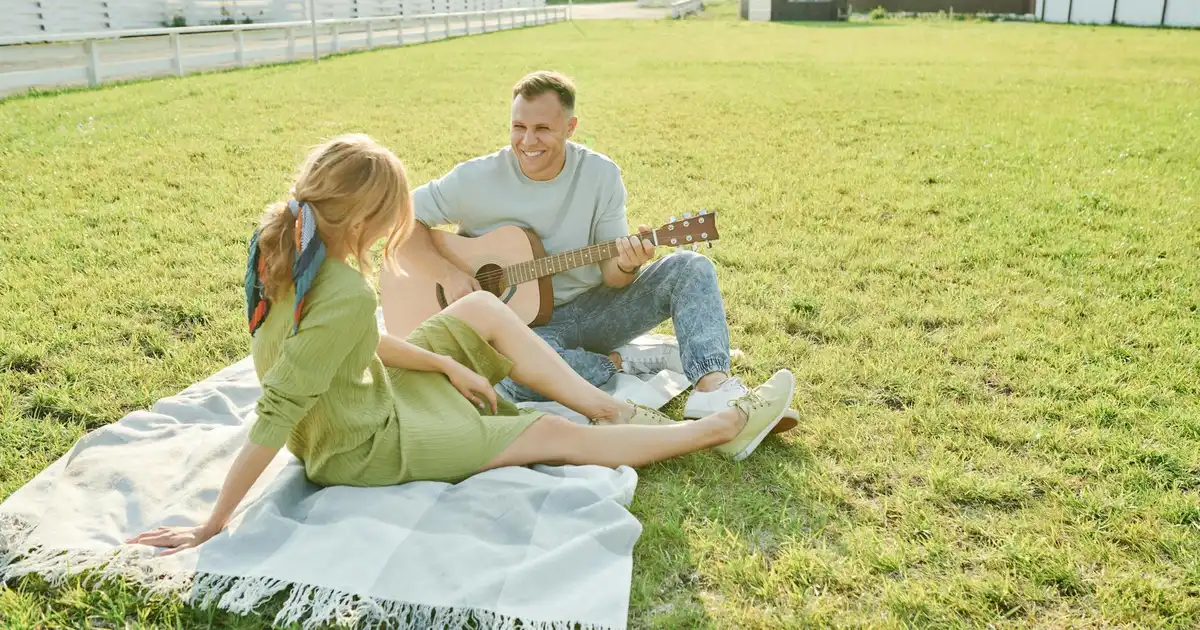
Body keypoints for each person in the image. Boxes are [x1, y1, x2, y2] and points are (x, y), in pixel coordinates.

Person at [125, 134, 796, 555]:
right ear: (364, 218)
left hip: (373, 403)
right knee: (549, 436)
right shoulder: (342, 291)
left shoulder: (283, 245)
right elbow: (276, 411)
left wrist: (445, 361)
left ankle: (612, 408)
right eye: (394, 218)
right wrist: (213, 523)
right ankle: (723, 429)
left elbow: (350, 348)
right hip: (369, 447)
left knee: (478, 305)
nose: (399, 230)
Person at [399, 70, 793, 427]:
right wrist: (448, 274)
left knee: (690, 266)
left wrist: (626, 265)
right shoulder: (476, 179)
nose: (527, 141)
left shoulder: (600, 175)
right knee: (519, 381)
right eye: (518, 127)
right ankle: (622, 362)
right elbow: (401, 220)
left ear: (570, 127)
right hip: (515, 330)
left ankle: (712, 388)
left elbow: (611, 276)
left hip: (590, 309)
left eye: (542, 128)